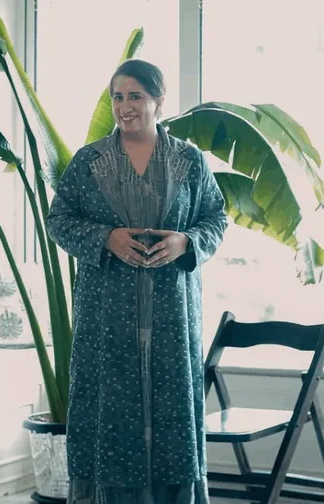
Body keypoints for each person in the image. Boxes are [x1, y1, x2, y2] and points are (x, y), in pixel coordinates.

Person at [46, 59, 228, 504]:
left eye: (135, 96)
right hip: (107, 313)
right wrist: (106, 237)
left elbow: (216, 217)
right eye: (118, 97)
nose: (124, 106)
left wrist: (187, 242)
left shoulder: (189, 160)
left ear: (158, 100)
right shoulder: (89, 162)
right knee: (110, 406)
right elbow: (59, 220)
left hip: (172, 311)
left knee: (172, 409)